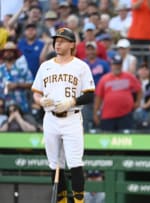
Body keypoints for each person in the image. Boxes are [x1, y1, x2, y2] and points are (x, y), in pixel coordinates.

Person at [31, 27, 95, 203]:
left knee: (75, 163)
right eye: (56, 40)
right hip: (50, 119)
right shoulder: (46, 66)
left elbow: (90, 94)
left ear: (72, 44)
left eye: (62, 40)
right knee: (54, 165)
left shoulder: (81, 66)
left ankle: (79, 201)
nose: (57, 43)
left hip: (72, 117)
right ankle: (61, 201)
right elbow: (36, 92)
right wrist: (40, 101)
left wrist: (72, 101)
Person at [93, 55, 142, 132]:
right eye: (115, 64)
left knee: (126, 140)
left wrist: (138, 102)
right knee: (108, 139)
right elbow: (98, 97)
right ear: (111, 65)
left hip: (125, 115)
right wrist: (96, 113)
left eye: (119, 64)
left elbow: (139, 89)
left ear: (121, 65)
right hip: (108, 115)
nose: (117, 67)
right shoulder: (104, 79)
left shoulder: (129, 77)